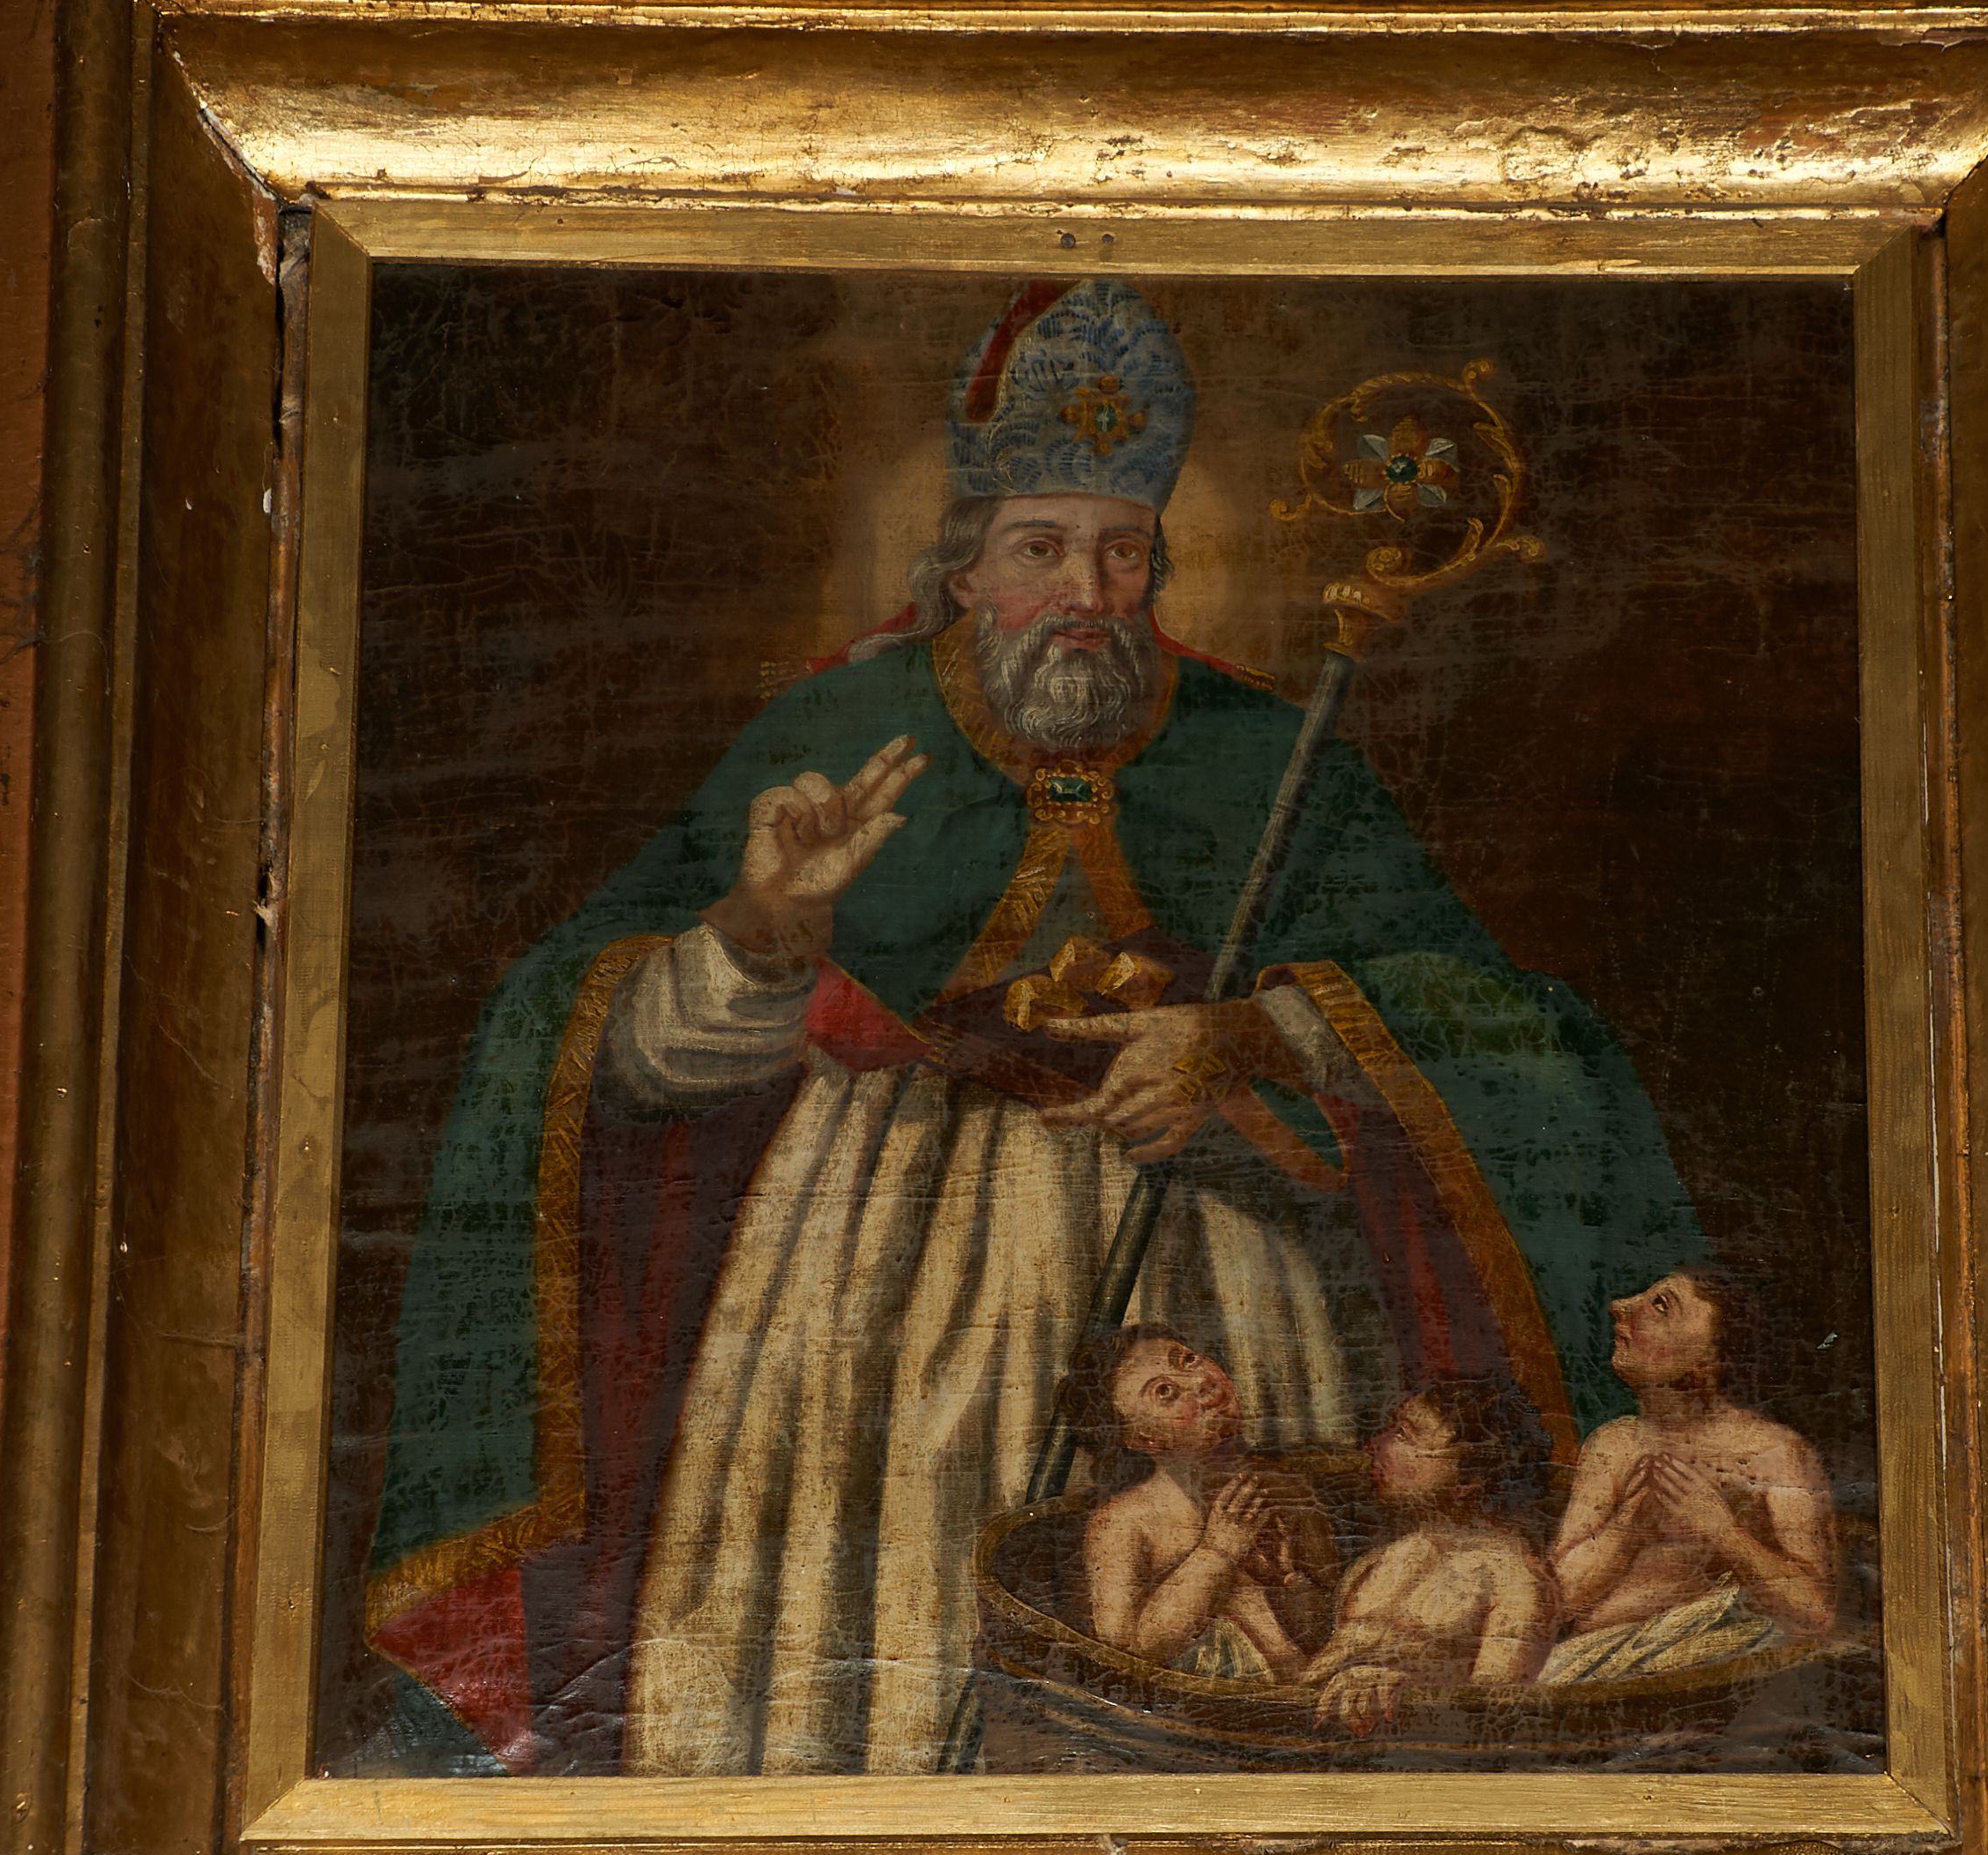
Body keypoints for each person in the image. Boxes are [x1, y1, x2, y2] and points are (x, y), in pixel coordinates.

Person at [365, 276, 1708, 1774]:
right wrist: (760, 931)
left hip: (1215, 1231)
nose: (1085, 589)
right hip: (877, 1254)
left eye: (1120, 550)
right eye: (1039, 548)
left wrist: (1247, 1035)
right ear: (961, 566)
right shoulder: (830, 733)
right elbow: (586, 1040)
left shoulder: (1269, 751)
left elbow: (1496, 1021)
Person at [1547, 1269, 1836, 1646]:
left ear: (1709, 1359)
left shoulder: (1776, 1453)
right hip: (1594, 1656)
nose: (1619, 1306)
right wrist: (1634, 1517)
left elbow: (1816, 1612)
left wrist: (1721, 1531)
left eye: (1661, 1306)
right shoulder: (1614, 1443)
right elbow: (1559, 1601)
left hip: (1704, 1659)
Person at [1069, 1327, 1333, 1680]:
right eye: (1165, 1392)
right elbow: (1124, 1651)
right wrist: (1218, 1552)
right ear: (1141, 1436)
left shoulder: (1285, 1489)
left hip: (1296, 1689)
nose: (1199, 1382)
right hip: (1197, 1701)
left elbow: (1330, 1619)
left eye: (1188, 1360)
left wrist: (1289, 1583)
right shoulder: (1124, 1522)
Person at [1303, 1381, 1559, 1738]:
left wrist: (1410, 1693)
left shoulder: (1514, 1580)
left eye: (1404, 1435)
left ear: (1469, 1479)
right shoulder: (1378, 1562)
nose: (1375, 1445)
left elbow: (1495, 1717)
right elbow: (1306, 1683)